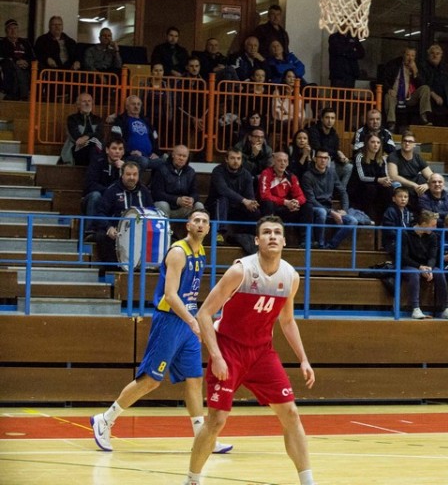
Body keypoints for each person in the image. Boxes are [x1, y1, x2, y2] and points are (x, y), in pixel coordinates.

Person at [185, 216, 315, 485]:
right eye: (266, 232)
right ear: (257, 240)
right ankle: (192, 479)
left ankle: (308, 481)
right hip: (230, 349)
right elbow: (204, 314)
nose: (272, 236)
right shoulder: (241, 271)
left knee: (291, 413)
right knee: (217, 419)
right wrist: (217, 356)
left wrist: (303, 359)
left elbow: (287, 320)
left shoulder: (290, 276)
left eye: (277, 233)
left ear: (284, 240)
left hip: (261, 353)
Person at [90, 209, 232, 455]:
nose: (200, 224)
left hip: (187, 321)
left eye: (204, 221)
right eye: (196, 220)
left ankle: (201, 435)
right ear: (188, 225)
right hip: (170, 320)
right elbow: (170, 294)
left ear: (209, 228)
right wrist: (192, 320)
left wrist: (196, 318)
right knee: (151, 380)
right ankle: (105, 419)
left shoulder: (201, 251)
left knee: (194, 378)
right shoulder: (178, 252)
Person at [402, 210, 448, 320]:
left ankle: (445, 309)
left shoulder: (433, 236)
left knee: (440, 273)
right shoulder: (405, 233)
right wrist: (419, 267)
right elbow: (404, 257)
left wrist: (429, 268)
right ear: (423, 224)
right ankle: (415, 309)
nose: (435, 228)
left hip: (427, 266)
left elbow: (433, 256)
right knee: (414, 274)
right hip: (410, 265)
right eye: (433, 225)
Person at [300, 149, 356, 250]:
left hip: (329, 209)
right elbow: (311, 200)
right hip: (314, 209)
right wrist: (331, 212)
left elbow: (343, 192)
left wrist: (345, 209)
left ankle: (330, 246)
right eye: (320, 157)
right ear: (315, 159)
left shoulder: (331, 172)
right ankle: (320, 245)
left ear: (329, 159)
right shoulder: (307, 176)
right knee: (322, 212)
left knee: (353, 221)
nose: (323, 160)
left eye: (325, 158)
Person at [207, 148, 261, 243]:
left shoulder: (246, 174)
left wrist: (252, 202)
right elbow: (223, 190)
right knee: (223, 199)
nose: (236, 161)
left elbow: (250, 195)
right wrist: (244, 200)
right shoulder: (218, 171)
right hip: (216, 206)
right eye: (232, 158)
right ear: (226, 159)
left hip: (237, 206)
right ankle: (218, 233)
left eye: (238, 158)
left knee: (254, 210)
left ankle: (250, 237)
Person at [257, 151, 310, 244]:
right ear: (274, 161)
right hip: (272, 207)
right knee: (267, 203)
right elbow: (265, 195)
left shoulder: (291, 176)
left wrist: (296, 202)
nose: (282, 163)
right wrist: (285, 202)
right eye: (279, 161)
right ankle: (268, 236)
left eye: (285, 161)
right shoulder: (266, 174)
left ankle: (305, 241)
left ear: (288, 163)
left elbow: (301, 196)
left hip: (286, 208)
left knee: (307, 207)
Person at [381, 47, 432, 129]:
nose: (410, 58)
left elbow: (423, 84)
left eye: (412, 56)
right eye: (408, 55)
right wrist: (389, 89)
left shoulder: (418, 66)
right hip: (395, 95)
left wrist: (415, 72)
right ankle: (391, 123)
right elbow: (383, 79)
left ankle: (424, 116)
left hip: (410, 97)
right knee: (388, 96)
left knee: (425, 88)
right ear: (403, 55)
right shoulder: (393, 64)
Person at [348, 133, 394, 223]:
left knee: (389, 189)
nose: (375, 145)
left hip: (375, 186)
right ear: (367, 143)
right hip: (359, 187)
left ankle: (385, 219)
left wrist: (386, 181)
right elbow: (361, 177)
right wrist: (378, 180)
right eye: (372, 142)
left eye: (378, 142)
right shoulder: (360, 157)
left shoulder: (382, 159)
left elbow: (384, 175)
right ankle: (368, 216)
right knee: (370, 188)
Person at [151, 145, 204, 219]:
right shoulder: (161, 169)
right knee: (163, 204)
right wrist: (177, 200)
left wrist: (192, 199)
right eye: (179, 155)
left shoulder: (191, 172)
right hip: (166, 207)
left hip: (183, 208)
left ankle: (194, 230)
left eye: (184, 156)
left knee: (199, 205)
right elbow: (157, 194)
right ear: (173, 155)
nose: (181, 158)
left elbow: (195, 192)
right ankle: (165, 230)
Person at [387, 131, 434, 200]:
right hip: (401, 185)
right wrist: (413, 185)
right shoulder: (393, 156)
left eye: (410, 141)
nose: (407, 143)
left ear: (414, 144)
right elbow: (393, 177)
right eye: (405, 141)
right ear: (401, 143)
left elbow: (431, 176)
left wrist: (427, 185)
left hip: (416, 186)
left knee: (430, 183)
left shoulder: (417, 157)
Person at [62, 92, 103, 166]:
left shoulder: (97, 119)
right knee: (91, 150)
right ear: (78, 105)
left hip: (94, 147)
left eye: (89, 101)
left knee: (94, 149)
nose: (87, 104)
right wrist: (91, 137)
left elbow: (100, 135)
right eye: (84, 101)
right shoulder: (72, 119)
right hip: (78, 148)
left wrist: (87, 137)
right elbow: (76, 137)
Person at [0, 19, 35, 101]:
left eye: (15, 28)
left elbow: (32, 57)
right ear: (6, 31)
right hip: (10, 67)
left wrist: (27, 62)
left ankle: (16, 95)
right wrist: (16, 61)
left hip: (26, 67)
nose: (13, 31)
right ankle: (23, 95)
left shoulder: (25, 42)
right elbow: (3, 56)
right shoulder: (2, 43)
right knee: (14, 68)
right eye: (10, 28)